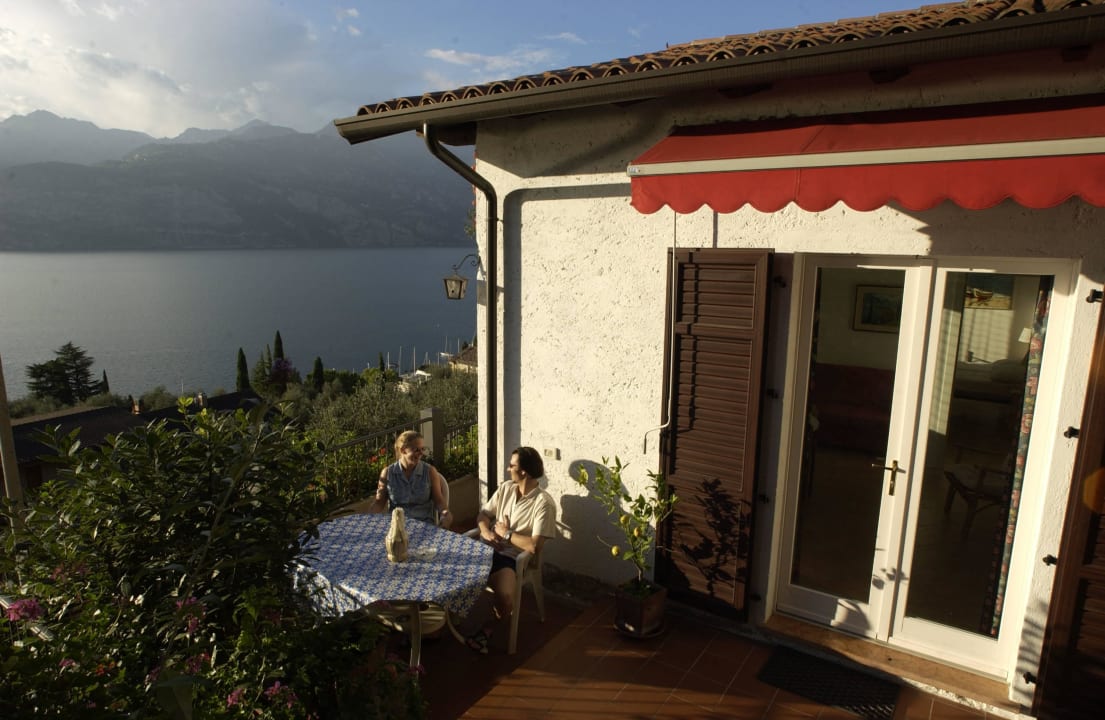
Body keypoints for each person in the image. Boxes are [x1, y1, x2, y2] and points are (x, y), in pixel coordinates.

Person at [466, 446, 557, 653]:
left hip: (510, 559)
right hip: (485, 549)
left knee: (506, 597)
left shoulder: (543, 503)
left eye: (512, 465)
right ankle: (443, 622)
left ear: (523, 471)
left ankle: (489, 629)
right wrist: (487, 533)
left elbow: (534, 546)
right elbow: (483, 516)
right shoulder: (506, 488)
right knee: (450, 573)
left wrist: (507, 534)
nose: (508, 469)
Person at [371, 430, 451, 527]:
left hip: (423, 526)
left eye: (422, 449)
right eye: (416, 450)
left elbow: (439, 501)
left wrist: (445, 513)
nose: (421, 453)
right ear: (403, 450)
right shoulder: (388, 473)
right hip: (397, 527)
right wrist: (368, 519)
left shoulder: (429, 472)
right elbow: (379, 503)